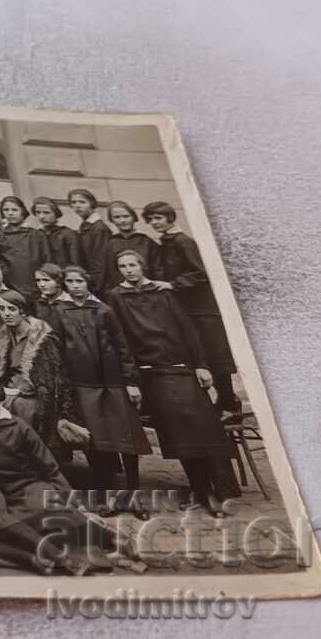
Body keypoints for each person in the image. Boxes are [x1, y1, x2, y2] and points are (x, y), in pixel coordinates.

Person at [106, 250, 235, 518]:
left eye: (133, 264)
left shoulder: (163, 292)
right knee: (180, 435)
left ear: (142, 266)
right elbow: (121, 339)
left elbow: (187, 328)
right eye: (123, 266)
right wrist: (132, 379)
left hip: (183, 368)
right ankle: (200, 490)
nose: (129, 270)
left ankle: (217, 491)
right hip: (153, 374)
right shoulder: (117, 297)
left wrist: (201, 365)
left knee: (204, 429)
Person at [0, 373, 93, 575]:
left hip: (22, 483)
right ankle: (49, 555)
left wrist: (75, 500)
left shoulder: (19, 427)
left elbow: (50, 467)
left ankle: (108, 538)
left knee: (56, 509)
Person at [56, 265, 153, 518]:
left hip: (113, 384)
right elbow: (60, 351)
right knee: (100, 446)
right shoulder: (60, 311)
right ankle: (112, 497)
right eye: (70, 281)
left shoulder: (104, 310)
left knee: (127, 443)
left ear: (87, 283)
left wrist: (130, 381)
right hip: (84, 386)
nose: (75, 286)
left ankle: (135, 497)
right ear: (65, 285)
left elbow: (122, 346)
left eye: (79, 281)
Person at [142, 201, 241, 414]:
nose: (154, 223)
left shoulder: (183, 242)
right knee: (201, 357)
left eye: (158, 218)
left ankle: (230, 407)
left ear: (170, 218)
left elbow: (202, 272)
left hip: (203, 311)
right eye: (150, 219)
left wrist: (173, 284)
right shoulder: (165, 243)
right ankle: (218, 407)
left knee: (216, 359)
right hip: (187, 309)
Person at [0, 289, 67, 456]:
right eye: (1, 309)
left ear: (22, 311)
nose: (6, 314)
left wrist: (20, 391)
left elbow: (50, 380)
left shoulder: (42, 338)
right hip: (8, 391)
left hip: (34, 395)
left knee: (21, 408)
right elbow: (0, 372)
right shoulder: (2, 336)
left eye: (11, 309)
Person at [0, 196, 50, 301]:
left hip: (35, 283)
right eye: (6, 210)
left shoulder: (36, 234)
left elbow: (47, 259)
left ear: (23, 211)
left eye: (14, 210)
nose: (10, 213)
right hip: (11, 283)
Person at [102, 200, 161, 291]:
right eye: (117, 217)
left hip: (147, 291)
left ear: (133, 217)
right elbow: (110, 272)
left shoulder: (147, 242)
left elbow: (157, 271)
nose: (122, 220)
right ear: (112, 220)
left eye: (126, 216)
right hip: (122, 292)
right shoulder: (111, 243)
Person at [67, 188, 113, 297]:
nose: (77, 206)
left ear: (92, 204)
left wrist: (95, 288)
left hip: (99, 285)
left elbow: (100, 263)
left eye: (82, 202)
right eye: (73, 202)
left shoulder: (99, 228)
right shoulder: (85, 226)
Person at [32, 197, 81, 269]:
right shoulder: (35, 234)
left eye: (46, 213)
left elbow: (75, 262)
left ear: (56, 213)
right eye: (38, 212)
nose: (41, 217)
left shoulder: (68, 234)